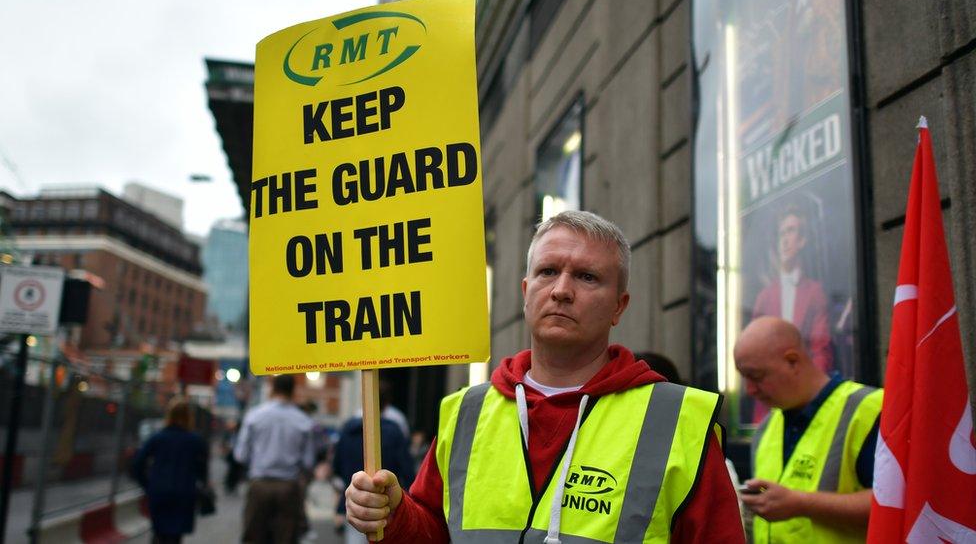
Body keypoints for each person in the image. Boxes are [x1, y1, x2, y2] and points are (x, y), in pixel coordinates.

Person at [344, 210, 744, 542]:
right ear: (525, 291)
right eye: (548, 272)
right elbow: (433, 533)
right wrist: (394, 511)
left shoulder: (677, 421)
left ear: (619, 307)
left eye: (587, 277)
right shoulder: (467, 412)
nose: (561, 290)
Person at [733, 316, 882, 543]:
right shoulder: (766, 428)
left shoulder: (867, 409)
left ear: (792, 361)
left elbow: (896, 503)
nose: (750, 390)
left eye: (756, 376)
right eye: (744, 378)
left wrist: (800, 503)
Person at [751, 205, 833, 422]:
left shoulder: (815, 292)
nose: (785, 240)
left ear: (802, 241)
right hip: (769, 406)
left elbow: (821, 348)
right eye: (782, 233)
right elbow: (754, 355)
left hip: (806, 400)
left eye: (791, 231)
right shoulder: (765, 297)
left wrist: (815, 394)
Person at [234, 374, 315, 544]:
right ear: (293, 390)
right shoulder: (303, 421)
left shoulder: (254, 416)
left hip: (259, 485)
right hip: (288, 487)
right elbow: (308, 462)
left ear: (272, 388)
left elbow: (240, 455)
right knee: (285, 537)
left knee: (254, 536)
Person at [332, 384, 416, 544]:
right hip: (386, 505)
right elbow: (407, 469)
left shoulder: (347, 429)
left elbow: (337, 464)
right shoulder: (395, 431)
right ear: (387, 403)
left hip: (355, 501)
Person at [131, 397, 209, 544]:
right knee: (176, 535)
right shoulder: (196, 441)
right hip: (184, 493)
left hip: (159, 490)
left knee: (159, 531)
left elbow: (138, 463)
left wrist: (147, 485)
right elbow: (202, 470)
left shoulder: (158, 438)